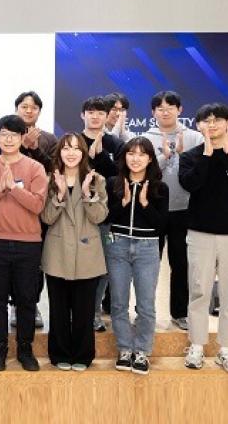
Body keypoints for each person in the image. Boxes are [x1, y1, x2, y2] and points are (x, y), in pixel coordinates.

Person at [0, 115, 47, 372]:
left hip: (28, 243)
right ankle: (0, 348)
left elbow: (38, 205)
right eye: (3, 134)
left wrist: (13, 188)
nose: (8, 139)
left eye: (14, 135)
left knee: (26, 299)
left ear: (22, 138)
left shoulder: (35, 168)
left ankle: (25, 349)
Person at [41, 133, 108, 371]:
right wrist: (59, 195)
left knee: (84, 309)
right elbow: (46, 218)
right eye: (66, 148)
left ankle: (82, 355)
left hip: (87, 253)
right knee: (58, 308)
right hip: (57, 252)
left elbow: (99, 217)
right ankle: (59, 353)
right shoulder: (49, 179)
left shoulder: (96, 179)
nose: (71, 153)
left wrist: (88, 194)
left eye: (76, 148)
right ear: (59, 152)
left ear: (84, 153)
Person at [106, 137, 169, 375]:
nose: (136, 159)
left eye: (142, 154)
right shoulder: (114, 183)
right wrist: (123, 203)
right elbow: (106, 218)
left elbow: (162, 226)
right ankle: (124, 349)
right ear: (124, 157)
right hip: (118, 246)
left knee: (146, 305)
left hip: (147, 248)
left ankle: (141, 351)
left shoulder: (159, 188)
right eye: (131, 153)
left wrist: (144, 204)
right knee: (118, 302)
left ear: (150, 158)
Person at [142, 91, 204, 330]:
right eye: (160, 108)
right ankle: (144, 312)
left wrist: (181, 155)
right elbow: (141, 172)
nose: (165, 111)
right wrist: (164, 156)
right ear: (153, 112)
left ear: (180, 110)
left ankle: (180, 313)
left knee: (181, 264)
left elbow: (201, 173)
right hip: (153, 209)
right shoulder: (146, 139)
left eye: (170, 107)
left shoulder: (195, 138)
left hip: (184, 209)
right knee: (148, 264)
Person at [179, 103, 228, 371]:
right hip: (200, 233)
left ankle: (226, 348)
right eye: (206, 120)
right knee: (199, 290)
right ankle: (197, 345)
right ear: (198, 125)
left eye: (217, 119)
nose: (212, 124)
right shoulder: (192, 156)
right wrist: (208, 155)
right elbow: (190, 184)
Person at [78, 96, 124, 332]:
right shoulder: (74, 141)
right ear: (82, 115)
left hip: (105, 218)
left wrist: (101, 157)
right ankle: (76, 312)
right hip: (77, 217)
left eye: (100, 113)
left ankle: (94, 312)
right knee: (78, 267)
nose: (95, 116)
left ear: (107, 116)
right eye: (90, 112)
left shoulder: (115, 144)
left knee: (102, 268)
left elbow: (120, 178)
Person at [12, 91, 57, 328]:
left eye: (34, 107)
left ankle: (32, 304)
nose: (29, 110)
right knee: (11, 260)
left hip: (38, 209)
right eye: (24, 106)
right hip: (10, 208)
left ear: (39, 111)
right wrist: (21, 145)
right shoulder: (7, 136)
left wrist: (35, 149)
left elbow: (54, 168)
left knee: (34, 261)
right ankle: (14, 305)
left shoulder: (49, 138)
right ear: (16, 109)